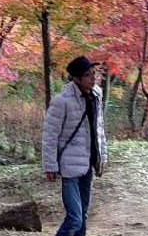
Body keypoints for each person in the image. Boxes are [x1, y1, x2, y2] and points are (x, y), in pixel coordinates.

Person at [42, 56, 107, 236]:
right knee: (75, 218)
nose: (92, 78)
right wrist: (50, 166)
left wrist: (102, 157)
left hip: (88, 163)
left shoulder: (96, 95)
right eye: (87, 75)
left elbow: (99, 129)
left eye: (93, 73)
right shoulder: (62, 101)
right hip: (69, 166)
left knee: (83, 216)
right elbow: (49, 136)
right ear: (76, 79)